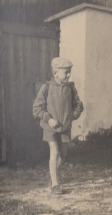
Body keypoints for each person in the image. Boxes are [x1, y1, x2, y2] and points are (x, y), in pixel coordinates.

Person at [33, 57, 83, 194]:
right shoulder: (47, 88)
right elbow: (37, 108)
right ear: (55, 73)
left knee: (63, 155)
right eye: (66, 72)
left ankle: (51, 175)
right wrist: (48, 119)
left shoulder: (71, 88)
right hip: (50, 128)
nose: (69, 75)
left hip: (65, 127)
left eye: (70, 72)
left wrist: (72, 116)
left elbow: (78, 105)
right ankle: (55, 184)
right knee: (54, 152)